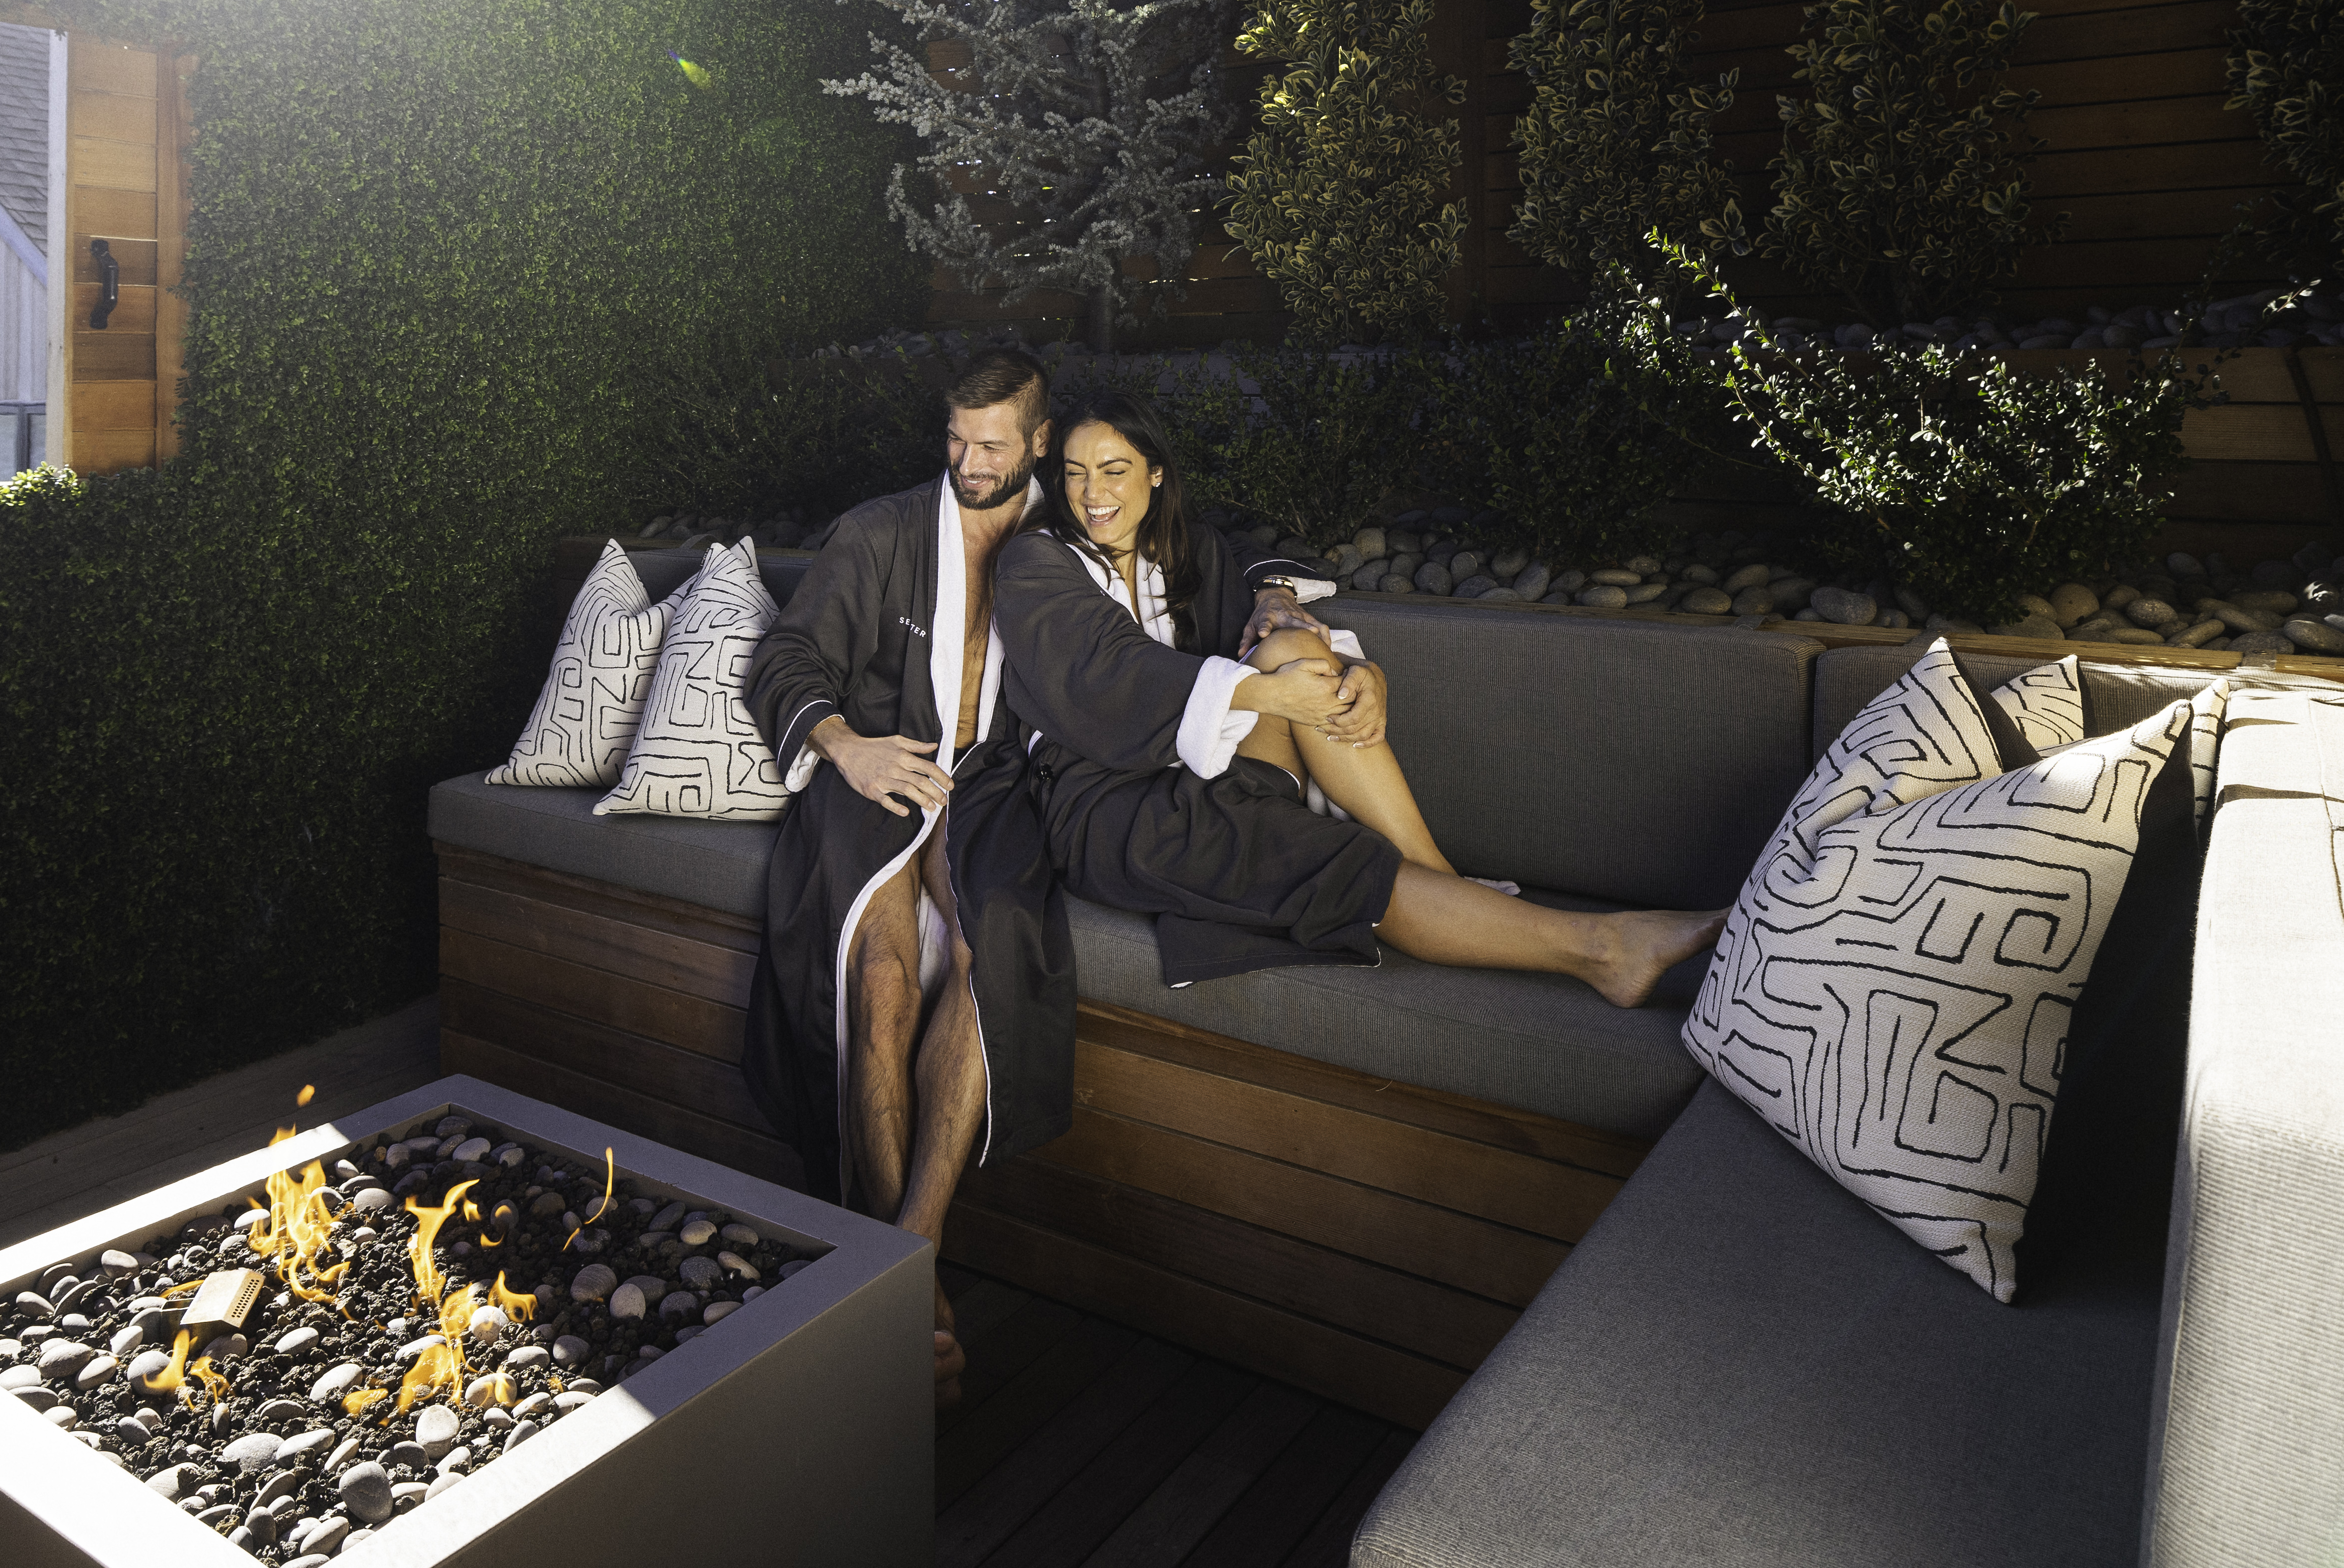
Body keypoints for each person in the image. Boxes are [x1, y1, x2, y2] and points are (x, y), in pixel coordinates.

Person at [1000, 391, 1727, 1005]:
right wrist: (1270, 698)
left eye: (1113, 470)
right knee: (1331, 856)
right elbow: (1111, 670)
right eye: (1073, 474)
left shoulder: (1187, 549)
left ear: (1155, 474)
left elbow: (1265, 577)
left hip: (1200, 772)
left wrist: (1359, 675)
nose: (1092, 494)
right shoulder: (1038, 562)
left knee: (1292, 648)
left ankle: (1435, 875)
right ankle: (1604, 949)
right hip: (1109, 811)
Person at [739, 345, 1067, 1407]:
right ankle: (912, 1289)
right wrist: (846, 746)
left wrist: (1282, 597)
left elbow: (1208, 559)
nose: (969, 461)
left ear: (1039, 441)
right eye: (955, 439)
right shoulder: (879, 531)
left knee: (987, 947)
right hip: (879, 768)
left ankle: (907, 1256)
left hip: (993, 783)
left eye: (992, 444)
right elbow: (783, 661)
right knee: (878, 971)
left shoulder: (1069, 534)